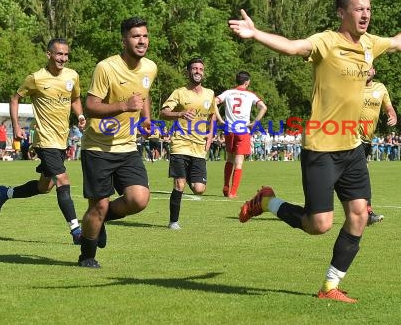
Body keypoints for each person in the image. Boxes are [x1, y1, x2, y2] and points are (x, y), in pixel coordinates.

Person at [228, 0, 401, 303]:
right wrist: (257, 33)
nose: (365, 14)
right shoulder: (326, 42)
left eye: (368, 9)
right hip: (321, 148)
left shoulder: (371, 44)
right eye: (359, 9)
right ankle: (266, 201)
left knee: (359, 214)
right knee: (319, 225)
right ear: (341, 13)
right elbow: (291, 46)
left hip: (353, 148)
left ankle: (330, 287)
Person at [78, 17, 157, 268]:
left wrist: (146, 119)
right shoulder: (106, 68)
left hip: (127, 146)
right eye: (136, 36)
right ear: (124, 40)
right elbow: (90, 106)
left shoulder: (150, 68)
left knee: (139, 199)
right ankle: (86, 256)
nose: (141, 41)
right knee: (98, 205)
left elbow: (144, 95)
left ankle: (97, 221)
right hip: (98, 148)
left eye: (144, 36)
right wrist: (124, 106)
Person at [0, 38, 86, 246]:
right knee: (63, 181)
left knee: (45, 187)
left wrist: (79, 116)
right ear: (49, 54)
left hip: (62, 140)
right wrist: (16, 126)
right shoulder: (36, 78)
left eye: (66, 54)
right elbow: (15, 98)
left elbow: (75, 99)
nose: (63, 58)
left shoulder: (72, 76)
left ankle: (5, 193)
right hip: (44, 140)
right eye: (59, 54)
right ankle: (76, 231)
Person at [160, 57, 216, 230]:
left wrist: (210, 135)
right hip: (180, 144)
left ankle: (188, 175)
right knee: (180, 184)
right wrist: (180, 114)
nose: (198, 71)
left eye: (200, 69)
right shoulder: (179, 92)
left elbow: (212, 115)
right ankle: (173, 222)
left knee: (199, 189)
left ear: (203, 72)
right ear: (188, 72)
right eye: (194, 68)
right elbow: (163, 112)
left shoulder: (210, 94)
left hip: (198, 147)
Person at [215, 71, 267, 198]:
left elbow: (213, 102)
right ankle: (233, 192)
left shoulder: (228, 93)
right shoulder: (250, 95)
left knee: (229, 159)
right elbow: (263, 107)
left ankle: (226, 187)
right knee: (239, 162)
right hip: (243, 131)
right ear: (247, 82)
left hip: (229, 130)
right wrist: (254, 122)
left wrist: (220, 119)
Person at [359, 66, 397, 224]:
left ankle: (315, 207)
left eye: (370, 68)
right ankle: (367, 214)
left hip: (368, 141)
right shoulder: (352, 86)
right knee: (362, 176)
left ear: (374, 71)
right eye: (364, 68)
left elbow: (388, 106)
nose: (367, 70)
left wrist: (392, 114)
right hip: (351, 137)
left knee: (353, 177)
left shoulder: (380, 88)